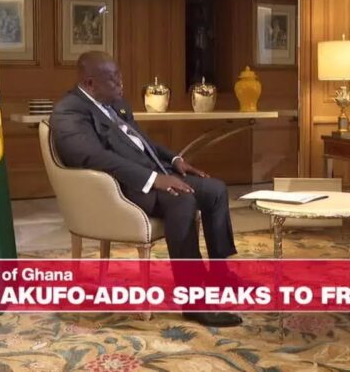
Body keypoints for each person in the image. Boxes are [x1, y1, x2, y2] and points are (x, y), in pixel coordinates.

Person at [50, 51, 242, 327]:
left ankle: (220, 274)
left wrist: (175, 161)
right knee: (182, 201)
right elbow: (93, 157)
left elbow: (142, 141)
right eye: (113, 79)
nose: (121, 83)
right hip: (120, 189)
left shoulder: (115, 103)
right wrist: (153, 179)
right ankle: (194, 301)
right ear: (90, 83)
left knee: (215, 190)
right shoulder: (69, 111)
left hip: (152, 175)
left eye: (120, 76)